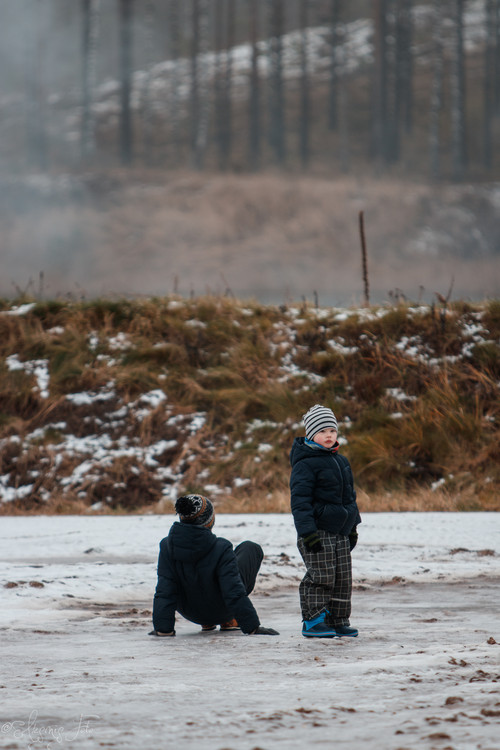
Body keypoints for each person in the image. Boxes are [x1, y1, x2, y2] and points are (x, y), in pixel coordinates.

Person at [150, 494, 279, 637]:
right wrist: (252, 627)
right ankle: (229, 621)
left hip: (191, 613)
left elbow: (164, 590)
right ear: (209, 520)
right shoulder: (221, 547)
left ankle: (206, 622)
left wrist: (163, 629)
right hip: (223, 611)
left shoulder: (166, 546)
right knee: (250, 548)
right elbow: (233, 591)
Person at [290, 404, 361, 638]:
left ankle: (337, 620)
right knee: (321, 576)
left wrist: (353, 527)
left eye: (332, 430)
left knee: (342, 579)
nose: (328, 435)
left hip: (340, 531)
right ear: (311, 434)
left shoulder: (341, 462)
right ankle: (313, 621)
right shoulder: (305, 464)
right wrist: (307, 532)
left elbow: (350, 498)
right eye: (322, 431)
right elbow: (300, 502)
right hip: (317, 532)